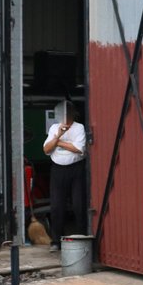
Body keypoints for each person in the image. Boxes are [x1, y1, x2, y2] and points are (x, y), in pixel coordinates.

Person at [43, 101, 87, 251]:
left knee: (78, 204)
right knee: (56, 206)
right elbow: (46, 149)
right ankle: (56, 240)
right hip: (57, 169)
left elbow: (78, 149)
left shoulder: (79, 127)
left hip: (76, 169)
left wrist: (58, 142)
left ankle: (82, 237)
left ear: (72, 113)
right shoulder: (54, 128)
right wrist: (58, 137)